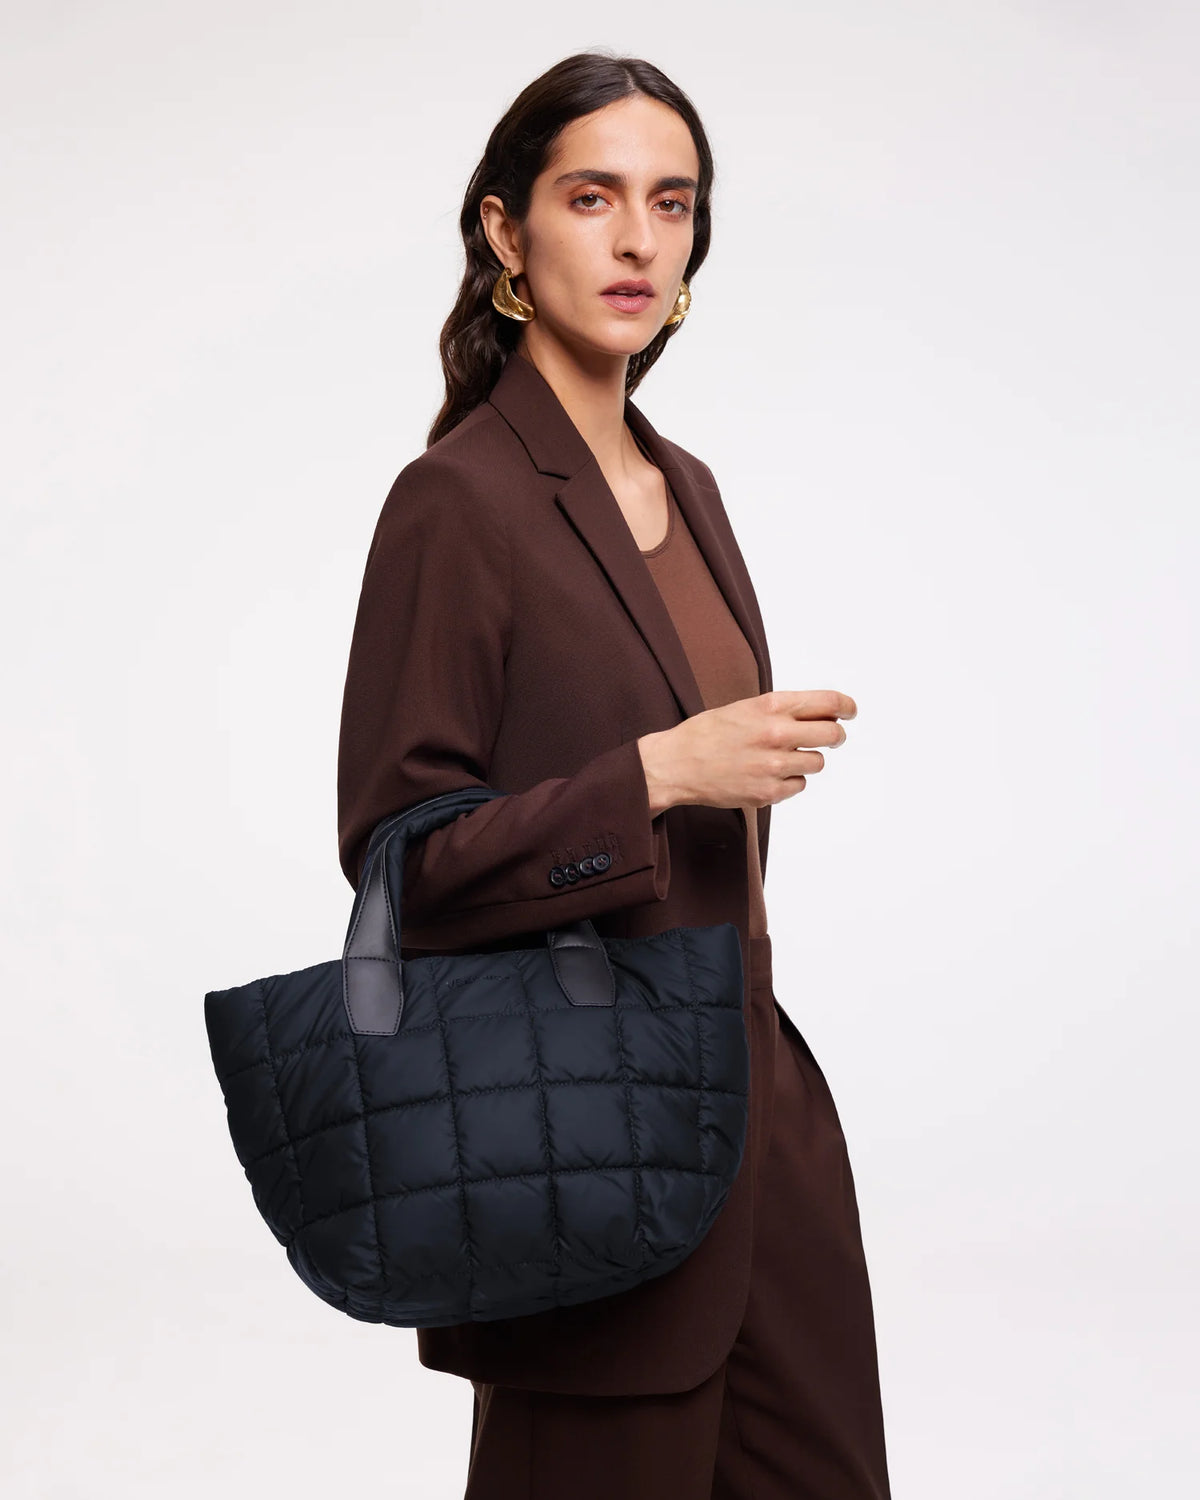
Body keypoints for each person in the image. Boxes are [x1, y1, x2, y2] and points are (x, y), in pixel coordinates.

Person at [336, 50, 892, 1500]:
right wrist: (655, 772)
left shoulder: (684, 482)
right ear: (509, 235)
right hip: (584, 1136)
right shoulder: (456, 501)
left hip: (760, 1119)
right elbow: (399, 856)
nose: (640, 238)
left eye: (673, 201)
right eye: (594, 197)